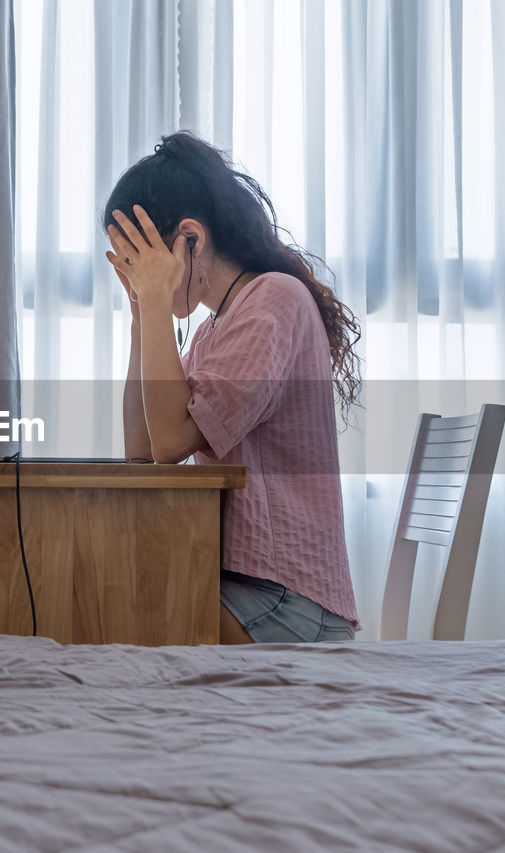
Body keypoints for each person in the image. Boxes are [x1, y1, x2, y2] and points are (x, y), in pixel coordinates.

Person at [104, 131, 362, 644]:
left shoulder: (273, 300)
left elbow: (173, 441)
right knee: (109, 595)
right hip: (255, 589)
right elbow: (147, 450)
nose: (134, 276)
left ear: (189, 240)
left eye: (137, 260)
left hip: (287, 600)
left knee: (114, 607)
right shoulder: (212, 331)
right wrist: (141, 315)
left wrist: (157, 305)